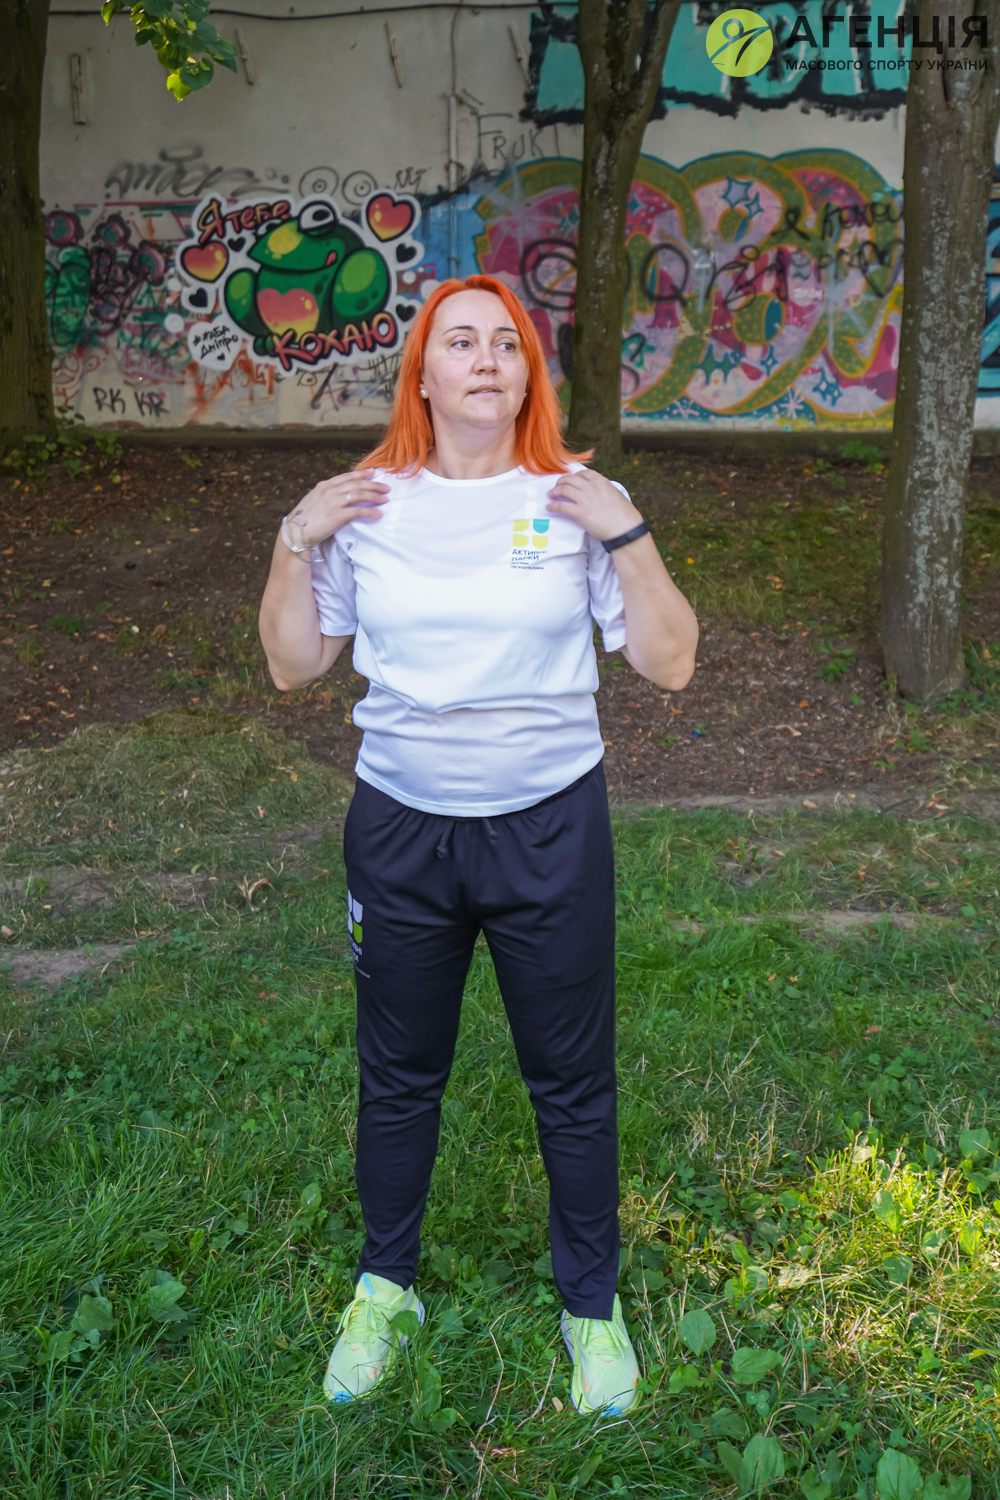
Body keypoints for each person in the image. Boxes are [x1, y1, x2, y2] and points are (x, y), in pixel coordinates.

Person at [259, 274, 698, 1417]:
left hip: (548, 824)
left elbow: (670, 662)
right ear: (424, 373)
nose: (486, 358)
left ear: (526, 374)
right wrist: (294, 539)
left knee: (571, 1080)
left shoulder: (578, 497)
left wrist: (626, 533)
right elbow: (293, 666)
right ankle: (385, 1289)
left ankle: (590, 1307)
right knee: (399, 1074)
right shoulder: (367, 504)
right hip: (400, 827)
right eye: (460, 341)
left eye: (506, 342)